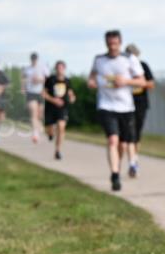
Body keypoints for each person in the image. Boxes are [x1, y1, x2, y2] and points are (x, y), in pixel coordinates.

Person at [87, 30, 146, 191]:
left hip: (126, 107)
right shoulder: (99, 60)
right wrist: (91, 82)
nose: (112, 47)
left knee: (123, 145)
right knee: (112, 140)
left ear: (120, 43)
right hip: (106, 105)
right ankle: (114, 174)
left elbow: (142, 81)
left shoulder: (129, 59)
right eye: (109, 43)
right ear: (106, 43)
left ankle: (118, 167)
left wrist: (126, 81)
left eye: (115, 43)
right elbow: (92, 76)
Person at [124, 43, 155, 178]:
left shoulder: (143, 66)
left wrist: (137, 83)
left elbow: (151, 84)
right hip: (124, 104)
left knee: (136, 133)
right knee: (127, 133)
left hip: (140, 103)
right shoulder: (123, 67)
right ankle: (132, 160)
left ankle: (134, 159)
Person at [44, 60, 76, 160]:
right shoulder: (50, 80)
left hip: (62, 108)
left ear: (64, 69)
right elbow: (43, 94)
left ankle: (57, 151)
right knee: (49, 129)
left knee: (61, 127)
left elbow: (70, 93)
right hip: (50, 108)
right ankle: (50, 134)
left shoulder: (67, 81)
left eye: (62, 68)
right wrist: (53, 100)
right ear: (56, 69)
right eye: (58, 68)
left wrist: (72, 98)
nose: (60, 70)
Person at [22, 52, 50, 143]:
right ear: (30, 59)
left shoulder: (43, 68)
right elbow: (23, 79)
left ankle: (39, 126)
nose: (33, 60)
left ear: (37, 59)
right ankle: (35, 133)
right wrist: (23, 88)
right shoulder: (27, 69)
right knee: (33, 112)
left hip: (40, 93)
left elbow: (48, 79)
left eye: (35, 59)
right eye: (32, 59)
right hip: (31, 93)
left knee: (40, 114)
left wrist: (39, 80)